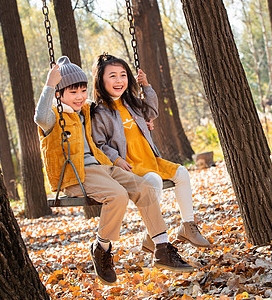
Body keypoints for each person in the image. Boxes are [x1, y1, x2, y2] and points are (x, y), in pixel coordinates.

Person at [34, 56, 195, 285]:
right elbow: (39, 117)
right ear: (59, 94)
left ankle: (162, 249)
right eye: (73, 93)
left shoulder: (87, 110)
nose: (80, 97)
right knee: (117, 197)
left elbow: (112, 108)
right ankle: (102, 248)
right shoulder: (53, 116)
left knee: (144, 188)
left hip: (103, 167)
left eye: (82, 90)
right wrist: (50, 84)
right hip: (76, 175)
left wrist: (142, 121)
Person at [90, 53, 212, 254]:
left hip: (150, 158)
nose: (119, 80)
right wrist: (117, 159)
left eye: (123, 75)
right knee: (153, 181)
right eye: (112, 76)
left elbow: (152, 112)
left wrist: (146, 86)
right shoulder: (100, 112)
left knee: (182, 173)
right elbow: (100, 144)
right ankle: (152, 233)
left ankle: (187, 225)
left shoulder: (131, 102)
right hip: (130, 164)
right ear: (100, 80)